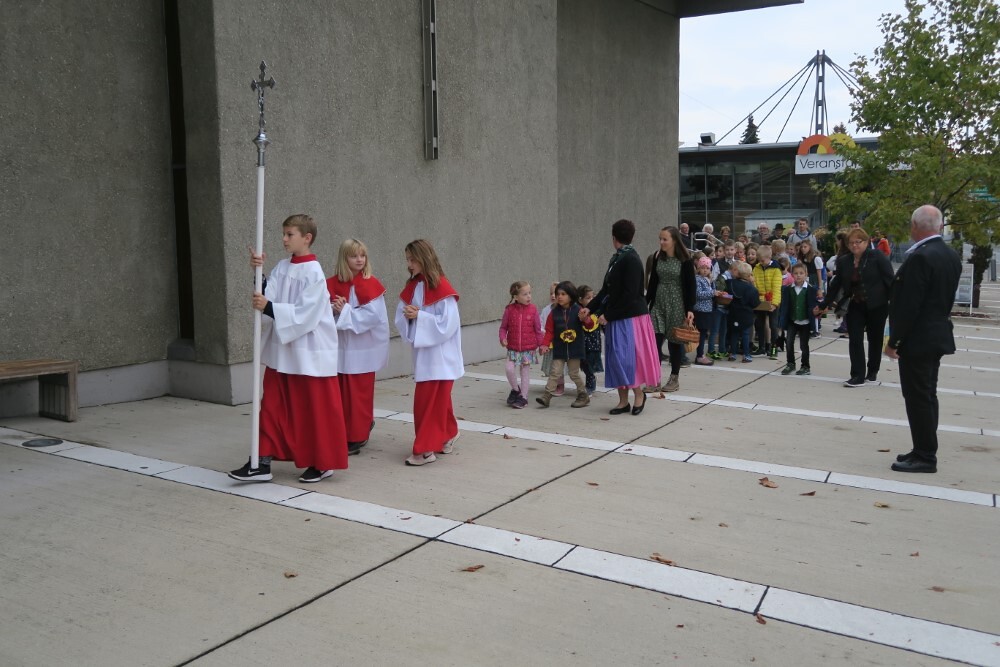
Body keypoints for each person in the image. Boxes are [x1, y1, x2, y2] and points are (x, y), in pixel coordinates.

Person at [229, 214, 348, 483]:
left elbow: (306, 314)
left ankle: (322, 462)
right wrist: (258, 274)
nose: (284, 239)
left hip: (309, 354)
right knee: (272, 406)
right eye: (283, 233)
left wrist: (269, 307)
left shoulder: (314, 272)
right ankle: (261, 462)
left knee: (313, 410)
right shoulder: (283, 266)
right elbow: (268, 295)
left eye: (289, 234)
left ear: (307, 238)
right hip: (282, 352)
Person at [885, 205, 962, 473]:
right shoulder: (949, 254)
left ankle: (925, 455)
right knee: (927, 395)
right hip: (936, 334)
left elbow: (909, 305)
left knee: (918, 397)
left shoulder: (921, 257)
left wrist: (894, 342)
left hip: (918, 339)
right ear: (939, 226)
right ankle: (923, 448)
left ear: (915, 226)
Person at [579, 219, 661, 416]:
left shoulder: (631, 259)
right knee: (616, 360)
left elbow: (630, 295)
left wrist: (608, 315)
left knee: (628, 361)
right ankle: (623, 401)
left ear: (614, 237)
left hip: (630, 318)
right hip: (618, 317)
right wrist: (590, 308)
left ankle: (639, 395)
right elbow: (606, 289)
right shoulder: (617, 258)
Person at [395, 239, 463, 466]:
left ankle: (424, 450)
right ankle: (449, 432)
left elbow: (448, 324)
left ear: (424, 258)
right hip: (425, 356)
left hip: (442, 357)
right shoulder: (414, 286)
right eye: (407, 259)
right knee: (436, 401)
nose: (409, 264)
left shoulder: (442, 287)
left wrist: (420, 316)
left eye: (412, 259)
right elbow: (401, 316)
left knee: (428, 403)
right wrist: (408, 315)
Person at [328, 238, 390, 455]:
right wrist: (333, 309)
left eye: (362, 255)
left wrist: (344, 311)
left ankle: (357, 435)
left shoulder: (370, 284)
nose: (359, 259)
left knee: (358, 396)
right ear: (344, 258)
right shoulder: (331, 284)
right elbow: (320, 312)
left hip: (362, 350)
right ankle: (343, 432)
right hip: (339, 349)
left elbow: (373, 317)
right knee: (340, 395)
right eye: (354, 256)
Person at [817, 228, 894, 387]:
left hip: (877, 305)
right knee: (855, 339)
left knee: (875, 339)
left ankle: (872, 371)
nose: (854, 245)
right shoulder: (844, 261)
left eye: (858, 242)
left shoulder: (877, 256)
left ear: (866, 242)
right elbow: (836, 285)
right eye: (851, 243)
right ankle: (857, 375)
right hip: (855, 304)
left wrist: (895, 303)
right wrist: (823, 304)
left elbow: (890, 281)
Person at [645, 226, 696, 393]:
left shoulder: (685, 260)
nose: (661, 242)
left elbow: (691, 286)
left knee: (674, 343)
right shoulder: (658, 257)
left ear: (674, 240)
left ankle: (674, 378)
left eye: (665, 239)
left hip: (677, 305)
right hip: (659, 303)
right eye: (660, 239)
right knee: (655, 342)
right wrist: (646, 303)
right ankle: (654, 379)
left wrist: (690, 309)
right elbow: (653, 282)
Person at [536, 281, 589, 408]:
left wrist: (585, 319)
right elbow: (549, 331)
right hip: (559, 348)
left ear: (571, 295)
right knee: (555, 372)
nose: (559, 297)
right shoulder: (553, 313)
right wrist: (544, 345)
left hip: (574, 349)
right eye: (557, 294)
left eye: (563, 294)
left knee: (574, 373)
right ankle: (547, 395)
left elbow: (589, 325)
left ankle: (583, 395)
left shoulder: (578, 310)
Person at [499, 281, 543, 409]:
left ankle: (523, 397)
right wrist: (502, 338)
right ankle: (515, 390)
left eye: (529, 293)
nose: (529, 296)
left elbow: (538, 330)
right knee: (509, 369)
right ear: (516, 297)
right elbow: (503, 328)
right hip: (513, 348)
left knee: (525, 372)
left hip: (528, 348)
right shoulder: (509, 310)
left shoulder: (533, 309)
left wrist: (541, 345)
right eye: (525, 294)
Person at [778, 264, 818, 376]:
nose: (798, 275)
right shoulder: (787, 289)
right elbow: (785, 306)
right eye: (796, 273)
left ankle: (805, 366)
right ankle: (790, 363)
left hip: (805, 322)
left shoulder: (811, 289)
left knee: (804, 345)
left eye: (801, 273)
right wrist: (782, 321)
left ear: (806, 274)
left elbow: (814, 305)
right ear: (792, 275)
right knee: (789, 343)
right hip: (792, 320)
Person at [751, 245, 782, 358]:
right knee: (759, 324)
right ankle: (761, 348)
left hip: (772, 300)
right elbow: (755, 285)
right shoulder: (756, 268)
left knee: (773, 325)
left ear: (769, 257)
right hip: (761, 301)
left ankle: (773, 349)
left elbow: (777, 288)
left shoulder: (776, 269)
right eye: (759, 260)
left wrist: (774, 303)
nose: (761, 262)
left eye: (763, 260)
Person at [726, 262, 760, 362]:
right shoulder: (752, 289)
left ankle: (732, 354)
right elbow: (755, 303)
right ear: (749, 275)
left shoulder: (730, 283)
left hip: (733, 313)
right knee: (745, 334)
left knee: (734, 333)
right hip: (746, 314)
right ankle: (746, 355)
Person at [539, 282, 565, 396]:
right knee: (551, 365)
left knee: (559, 366)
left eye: (556, 293)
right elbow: (541, 323)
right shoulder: (546, 310)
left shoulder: (565, 309)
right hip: (549, 343)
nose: (553, 296)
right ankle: (552, 383)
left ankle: (560, 384)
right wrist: (543, 334)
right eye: (551, 293)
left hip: (561, 343)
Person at [577, 285, 604, 394]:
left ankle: (590, 385)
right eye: (588, 298)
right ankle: (589, 380)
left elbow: (591, 323)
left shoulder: (596, 310)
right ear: (580, 300)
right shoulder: (578, 310)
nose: (592, 300)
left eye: (593, 297)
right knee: (582, 363)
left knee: (589, 364)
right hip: (581, 343)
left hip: (592, 342)